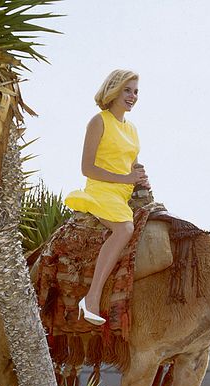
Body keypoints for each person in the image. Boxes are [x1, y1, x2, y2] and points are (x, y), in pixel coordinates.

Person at [64, 69, 150, 325]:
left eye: (136, 92)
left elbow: (130, 165)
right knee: (124, 229)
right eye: (127, 90)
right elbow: (87, 168)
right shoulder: (98, 121)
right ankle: (91, 297)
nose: (132, 96)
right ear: (113, 90)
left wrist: (140, 177)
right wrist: (126, 179)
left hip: (124, 195)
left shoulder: (133, 129)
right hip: (101, 191)